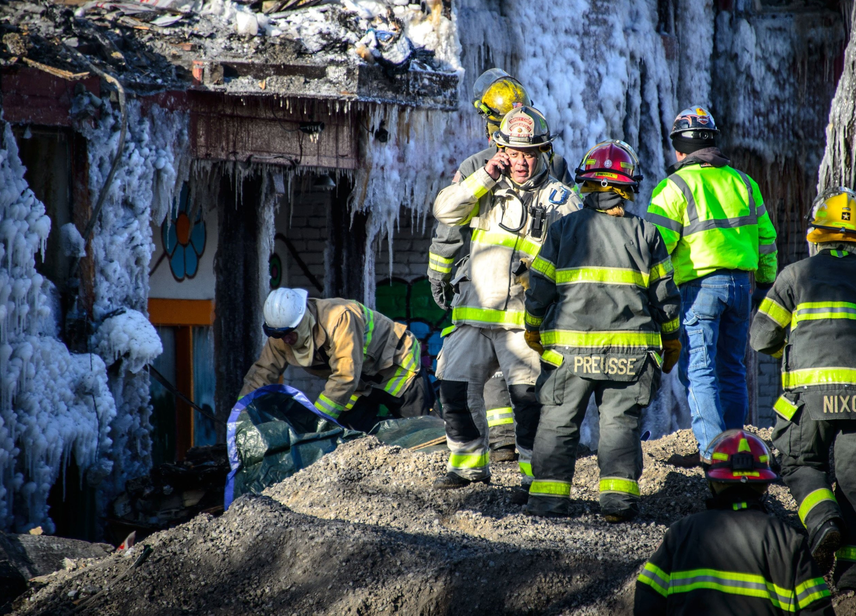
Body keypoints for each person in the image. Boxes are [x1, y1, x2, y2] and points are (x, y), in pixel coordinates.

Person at [750, 187, 856, 591]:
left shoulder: (795, 275)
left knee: (800, 463)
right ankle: (854, 577)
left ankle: (823, 521)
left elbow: (760, 338)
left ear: (816, 234)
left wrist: (796, 343)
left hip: (810, 397)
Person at [523, 141, 681, 521]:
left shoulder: (562, 231)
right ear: (628, 188)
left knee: (558, 424)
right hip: (630, 357)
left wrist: (532, 328)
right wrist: (671, 337)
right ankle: (617, 503)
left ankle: (547, 502)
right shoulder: (647, 234)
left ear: (585, 184)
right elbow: (665, 297)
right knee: (619, 427)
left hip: (568, 356)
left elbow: (539, 288)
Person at [430, 105, 581, 489]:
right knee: (454, 389)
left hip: (522, 323)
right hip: (474, 317)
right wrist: (484, 177)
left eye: (530, 154)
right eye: (513, 153)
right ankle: (467, 468)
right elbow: (445, 211)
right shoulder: (484, 185)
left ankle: (534, 481)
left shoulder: (560, 198)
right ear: (500, 150)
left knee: (529, 404)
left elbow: (579, 256)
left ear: (544, 152)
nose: (522, 162)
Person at [646, 106, 778, 467]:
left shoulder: (675, 186)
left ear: (679, 149)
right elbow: (767, 238)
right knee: (733, 367)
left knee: (700, 369)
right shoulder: (744, 182)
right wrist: (765, 282)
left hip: (699, 289)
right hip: (741, 287)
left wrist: (648, 290)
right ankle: (738, 445)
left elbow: (654, 246)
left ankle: (712, 451)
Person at [634, 429, 834, 615]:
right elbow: (816, 609)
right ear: (764, 484)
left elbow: (646, 599)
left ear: (713, 480)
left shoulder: (680, 534)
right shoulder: (787, 541)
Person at [238, 288, 432, 433]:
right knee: (350, 437)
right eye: (277, 334)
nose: (285, 339)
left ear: (302, 320)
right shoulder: (280, 336)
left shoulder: (339, 317)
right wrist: (242, 416)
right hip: (360, 382)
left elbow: (344, 376)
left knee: (421, 431)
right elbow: (261, 375)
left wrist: (316, 422)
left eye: (289, 333)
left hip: (397, 367)